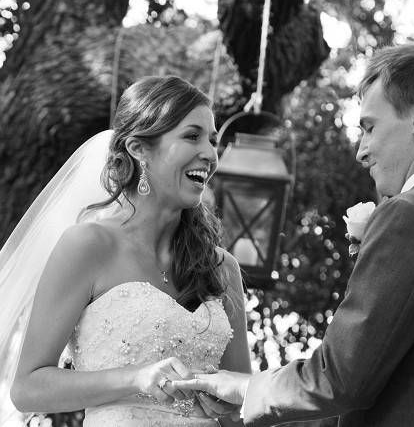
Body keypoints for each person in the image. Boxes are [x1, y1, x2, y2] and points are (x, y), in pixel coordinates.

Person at [174, 41, 414, 427]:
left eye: (369, 127)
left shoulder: (412, 216)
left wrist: (246, 388)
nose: (361, 151)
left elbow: (340, 377)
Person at [0, 75, 251, 426]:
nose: (210, 154)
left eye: (212, 140)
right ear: (138, 148)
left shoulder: (222, 268)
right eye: (192, 136)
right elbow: (27, 387)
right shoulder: (87, 246)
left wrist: (233, 405)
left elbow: (240, 402)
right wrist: (134, 378)